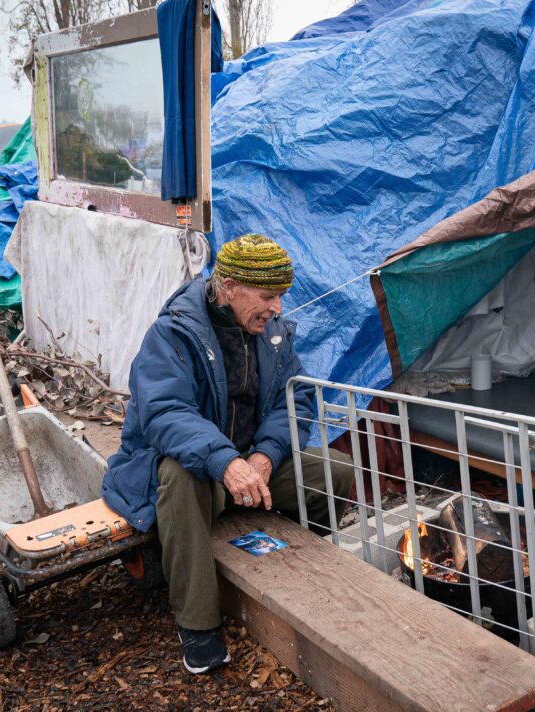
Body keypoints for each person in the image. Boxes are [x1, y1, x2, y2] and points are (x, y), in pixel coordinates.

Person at [102, 234, 355, 675]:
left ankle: (299, 567)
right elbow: (164, 413)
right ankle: (197, 623)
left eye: (280, 297)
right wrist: (226, 461)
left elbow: (290, 403)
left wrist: (265, 456)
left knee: (334, 471)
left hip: (245, 462)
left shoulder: (270, 332)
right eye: (268, 296)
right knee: (181, 478)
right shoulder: (174, 332)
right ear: (230, 286)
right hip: (193, 468)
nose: (277, 308)